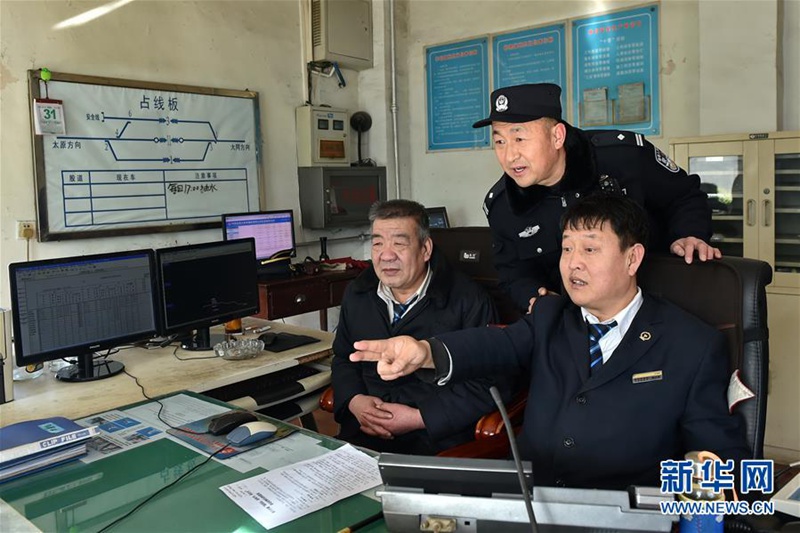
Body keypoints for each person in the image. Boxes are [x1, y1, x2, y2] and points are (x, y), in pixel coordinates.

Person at [350, 195, 748, 489]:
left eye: (590, 249)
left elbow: (714, 459)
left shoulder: (691, 344)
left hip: (622, 514)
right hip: (530, 500)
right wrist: (425, 352)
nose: (572, 262)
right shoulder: (550, 315)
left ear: (632, 259)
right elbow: (495, 347)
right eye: (567, 248)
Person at [475, 83, 721, 314]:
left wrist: (689, 233)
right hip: (578, 325)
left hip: (660, 305)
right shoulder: (503, 206)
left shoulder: (624, 158)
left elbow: (684, 195)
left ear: (557, 136)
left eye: (519, 139)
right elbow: (512, 271)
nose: (509, 156)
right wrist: (534, 296)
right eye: (499, 141)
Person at [331, 199, 512, 455]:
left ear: (425, 249)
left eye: (399, 243)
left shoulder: (467, 300)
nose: (386, 255)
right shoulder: (358, 292)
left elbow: (490, 383)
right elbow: (343, 358)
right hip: (363, 433)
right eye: (378, 243)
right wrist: (354, 401)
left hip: (435, 440)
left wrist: (419, 418)